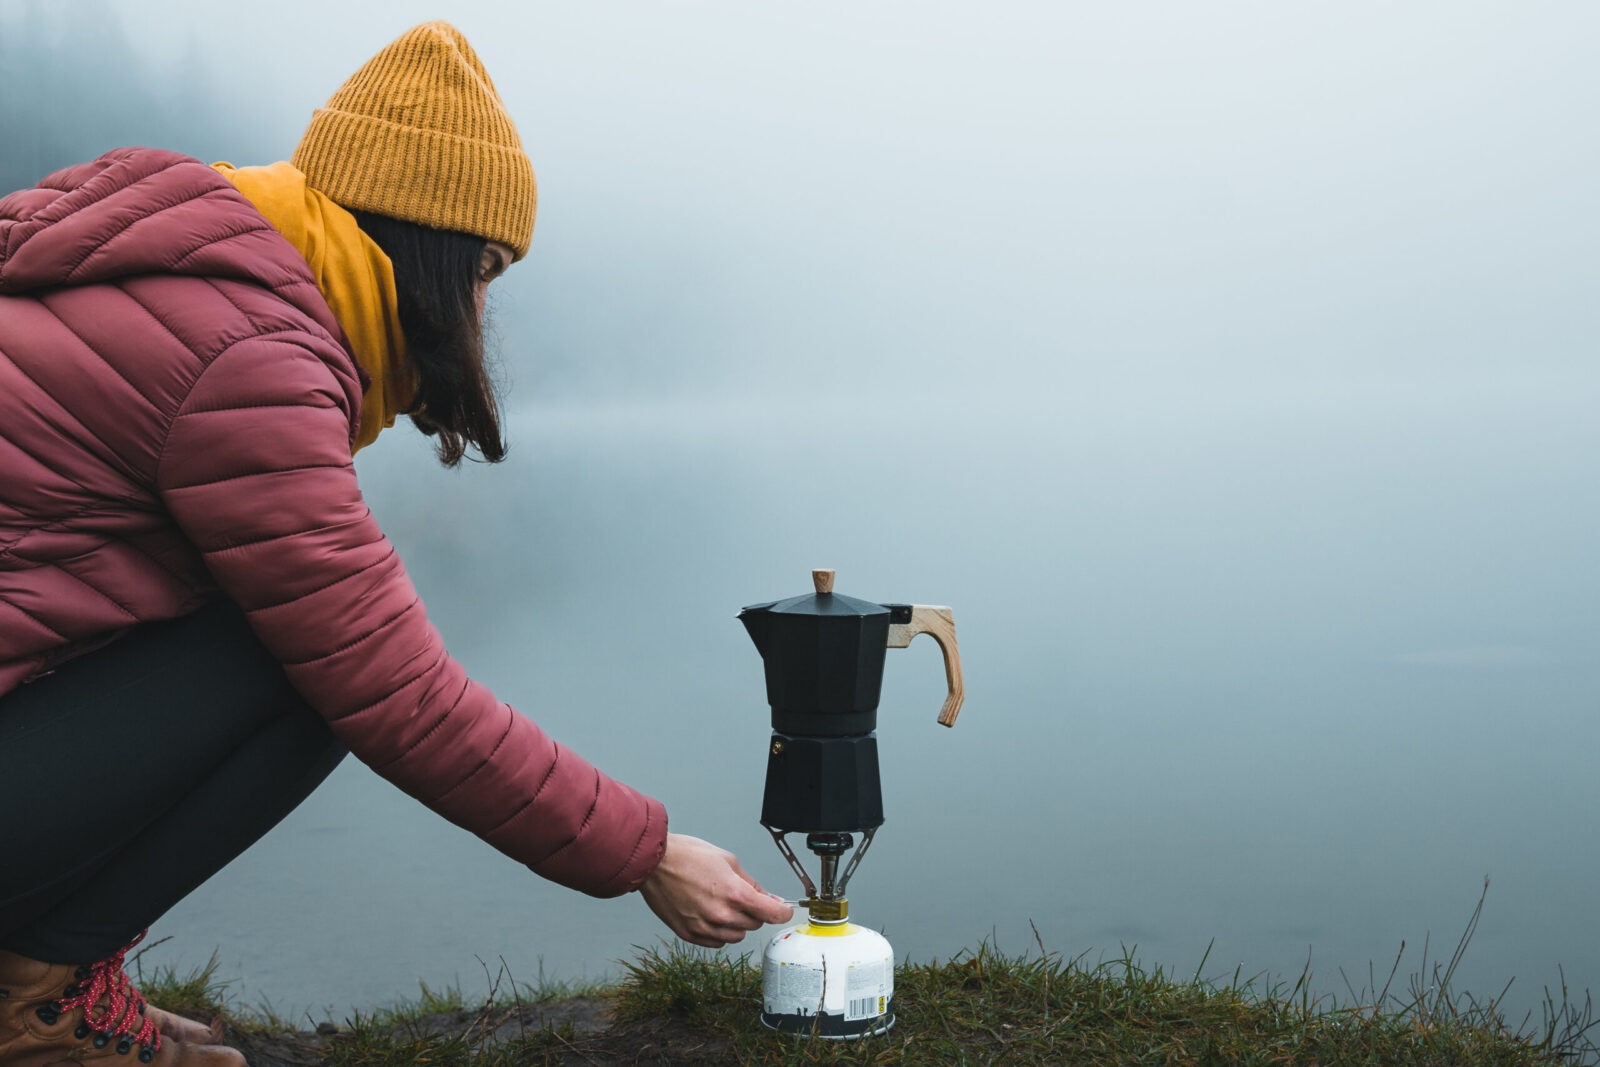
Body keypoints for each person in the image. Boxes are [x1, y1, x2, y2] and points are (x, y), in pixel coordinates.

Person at [0, 20, 791, 1066]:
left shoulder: (185, 281)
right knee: (300, 669)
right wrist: (643, 851)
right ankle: (35, 1002)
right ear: (430, 248)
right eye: (485, 274)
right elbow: (393, 688)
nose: (477, 309)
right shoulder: (247, 354)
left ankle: (48, 973)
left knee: (268, 637)